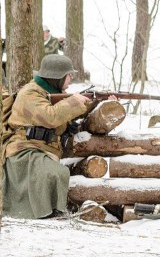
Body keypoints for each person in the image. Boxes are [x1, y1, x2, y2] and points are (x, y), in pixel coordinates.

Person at [1, 55, 92, 219]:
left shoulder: (54, 92)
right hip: (24, 150)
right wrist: (75, 101)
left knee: (56, 172)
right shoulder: (30, 93)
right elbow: (50, 116)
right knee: (55, 173)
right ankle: (48, 211)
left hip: (43, 150)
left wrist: (99, 102)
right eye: (68, 75)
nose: (71, 77)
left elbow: (68, 109)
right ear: (57, 77)